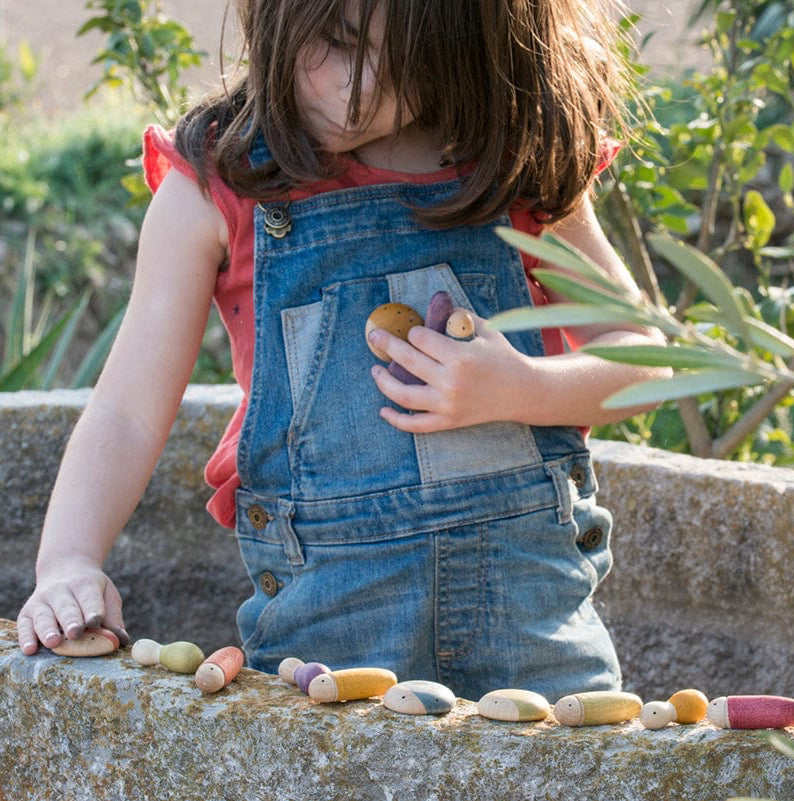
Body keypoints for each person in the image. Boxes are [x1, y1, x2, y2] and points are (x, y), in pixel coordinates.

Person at [17, 0, 669, 700]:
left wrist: (519, 387)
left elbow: (646, 363)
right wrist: (68, 562)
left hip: (538, 649)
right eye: (336, 41)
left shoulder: (516, 166)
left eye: (403, 65)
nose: (356, 94)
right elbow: (126, 410)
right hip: (327, 659)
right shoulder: (219, 187)